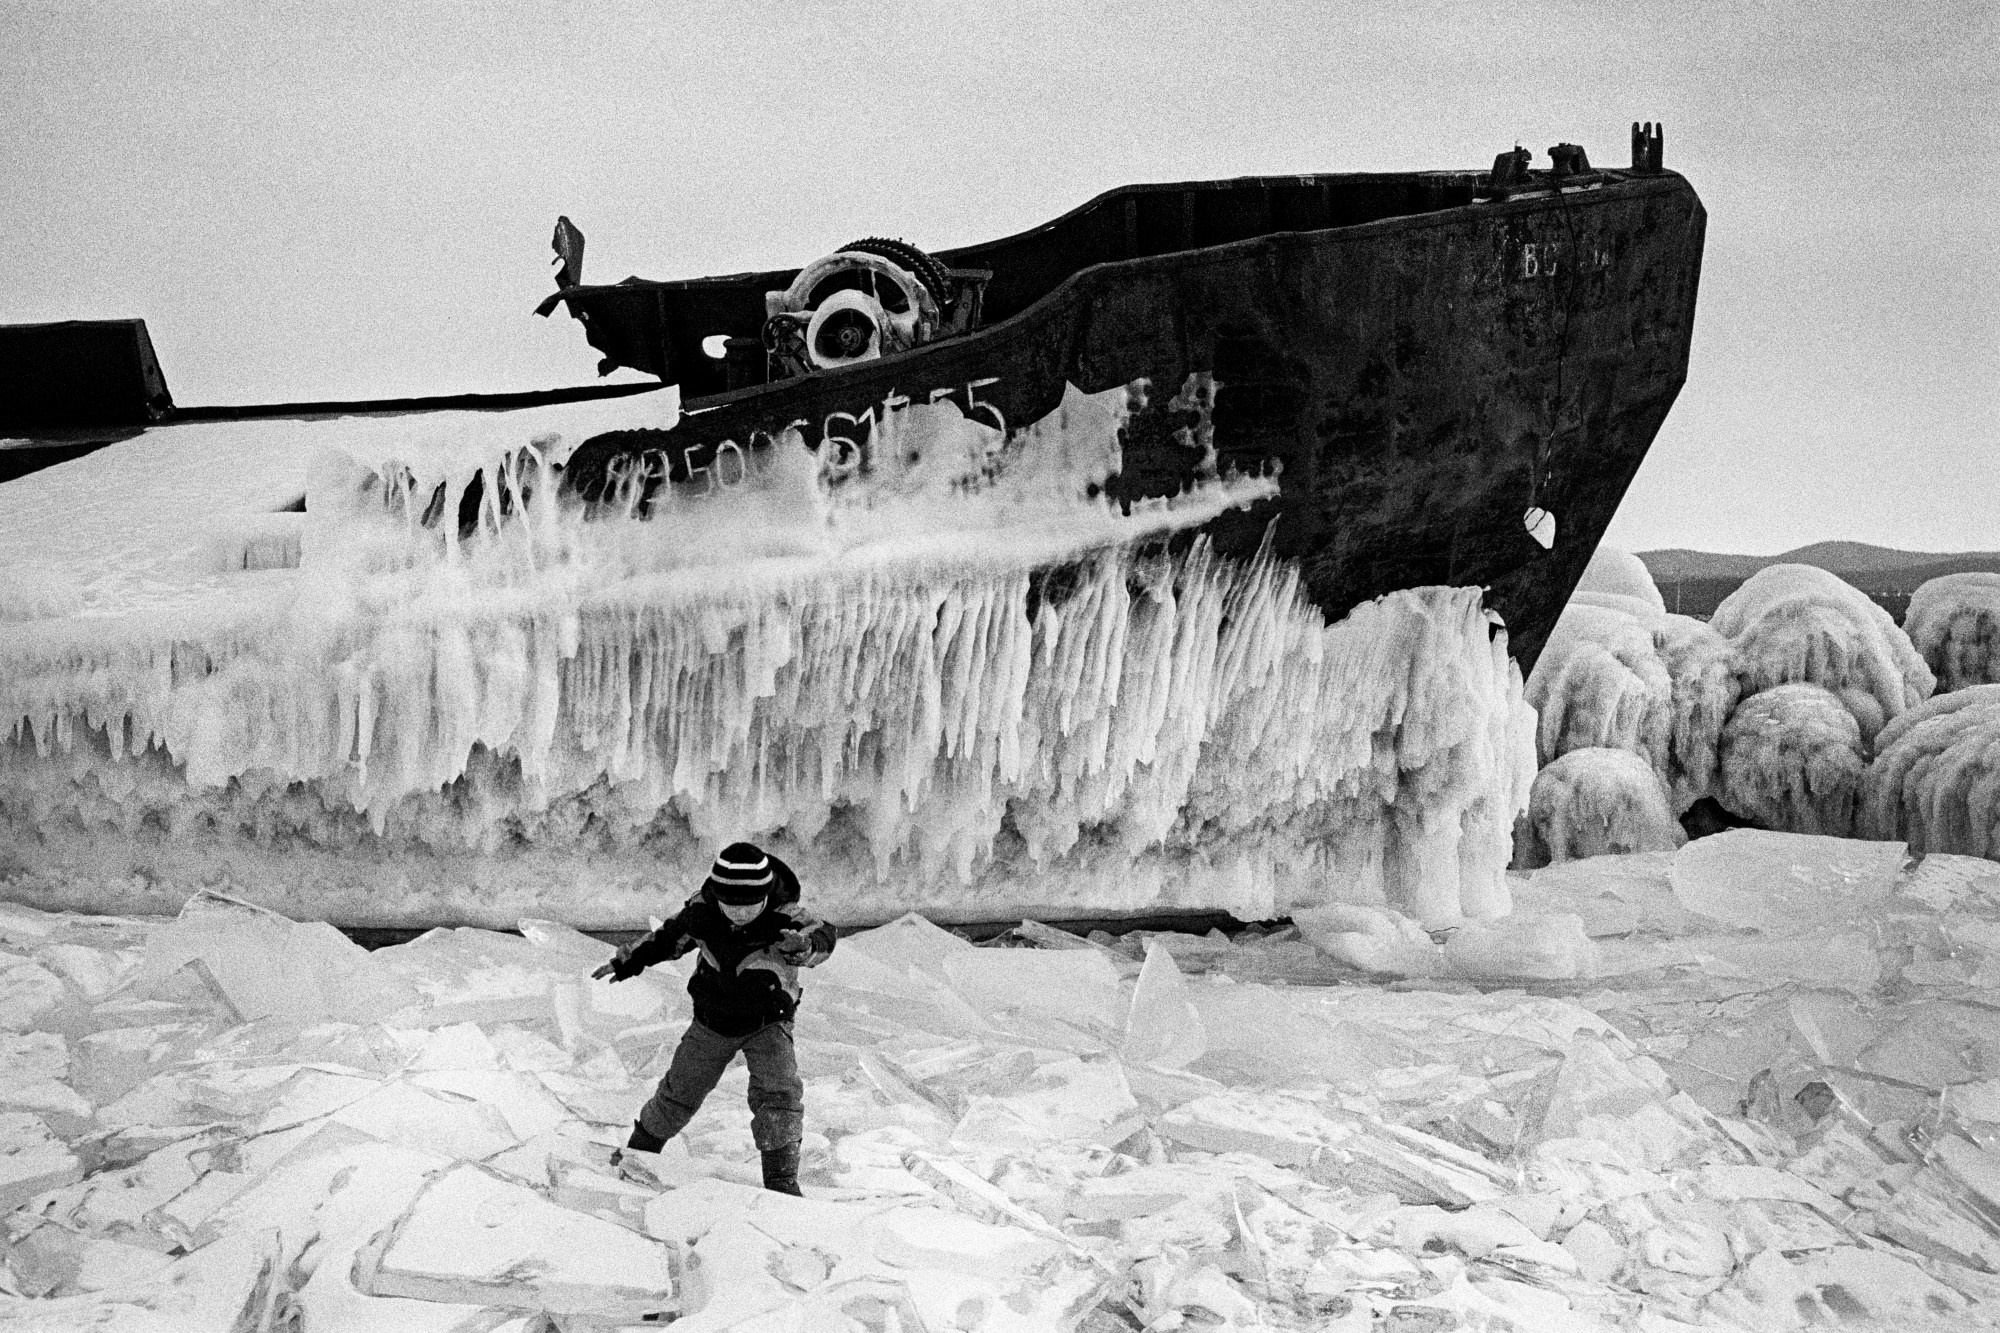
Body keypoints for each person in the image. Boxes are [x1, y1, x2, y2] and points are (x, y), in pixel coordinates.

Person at [593, 841, 835, 1195]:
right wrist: (626, 961)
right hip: (712, 1021)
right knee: (679, 1092)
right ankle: (639, 1154)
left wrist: (805, 948)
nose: (739, 914)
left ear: (766, 894)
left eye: (749, 905)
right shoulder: (701, 915)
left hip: (769, 1022)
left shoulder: (789, 919)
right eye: (730, 905)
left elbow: (825, 936)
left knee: (778, 1095)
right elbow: (665, 940)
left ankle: (782, 1182)